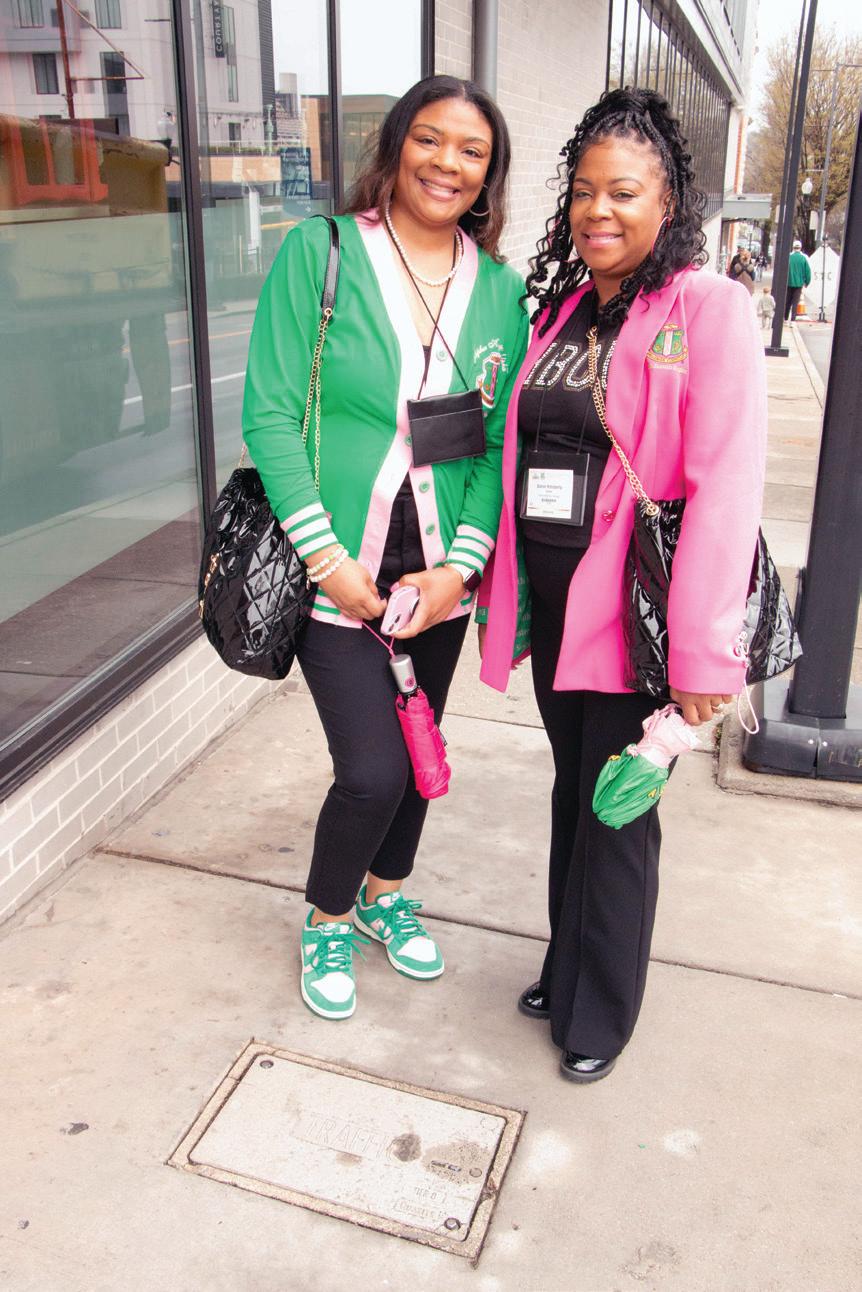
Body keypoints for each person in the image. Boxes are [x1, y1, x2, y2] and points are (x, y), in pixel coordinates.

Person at [479, 87, 767, 1083]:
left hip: (642, 618)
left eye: (624, 192)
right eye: (584, 192)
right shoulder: (565, 309)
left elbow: (725, 486)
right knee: (576, 791)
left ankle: (600, 1009)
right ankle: (566, 965)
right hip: (562, 609)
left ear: (666, 201)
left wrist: (704, 655)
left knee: (618, 809)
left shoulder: (706, 307)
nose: (598, 211)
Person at [242, 76, 528, 1020]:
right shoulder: (320, 253)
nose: (448, 163)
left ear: (489, 174)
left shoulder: (502, 292)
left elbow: (494, 442)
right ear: (397, 143)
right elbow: (271, 414)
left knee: (420, 751)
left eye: (472, 151)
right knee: (371, 771)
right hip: (339, 567)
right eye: (431, 139)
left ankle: (385, 896)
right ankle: (328, 914)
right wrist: (326, 560)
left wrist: (460, 569)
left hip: (437, 575)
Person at [785, 239, 812, 320]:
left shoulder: (789, 256)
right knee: (795, 302)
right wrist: (807, 282)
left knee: (788, 301)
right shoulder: (804, 258)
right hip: (799, 283)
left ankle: (785, 317)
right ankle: (793, 319)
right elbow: (808, 271)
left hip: (789, 282)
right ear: (800, 247)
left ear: (793, 247)